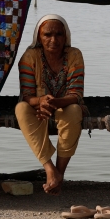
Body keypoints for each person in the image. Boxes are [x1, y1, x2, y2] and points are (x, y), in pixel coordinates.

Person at [14, 14, 85, 194]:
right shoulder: (30, 56)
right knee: (21, 108)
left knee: (75, 111)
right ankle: (50, 169)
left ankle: (58, 174)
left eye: (59, 34)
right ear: (39, 36)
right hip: (38, 107)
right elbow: (27, 95)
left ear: (65, 36)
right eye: (47, 35)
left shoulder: (74, 55)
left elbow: (76, 94)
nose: (53, 40)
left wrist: (55, 102)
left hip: (65, 104)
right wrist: (40, 101)